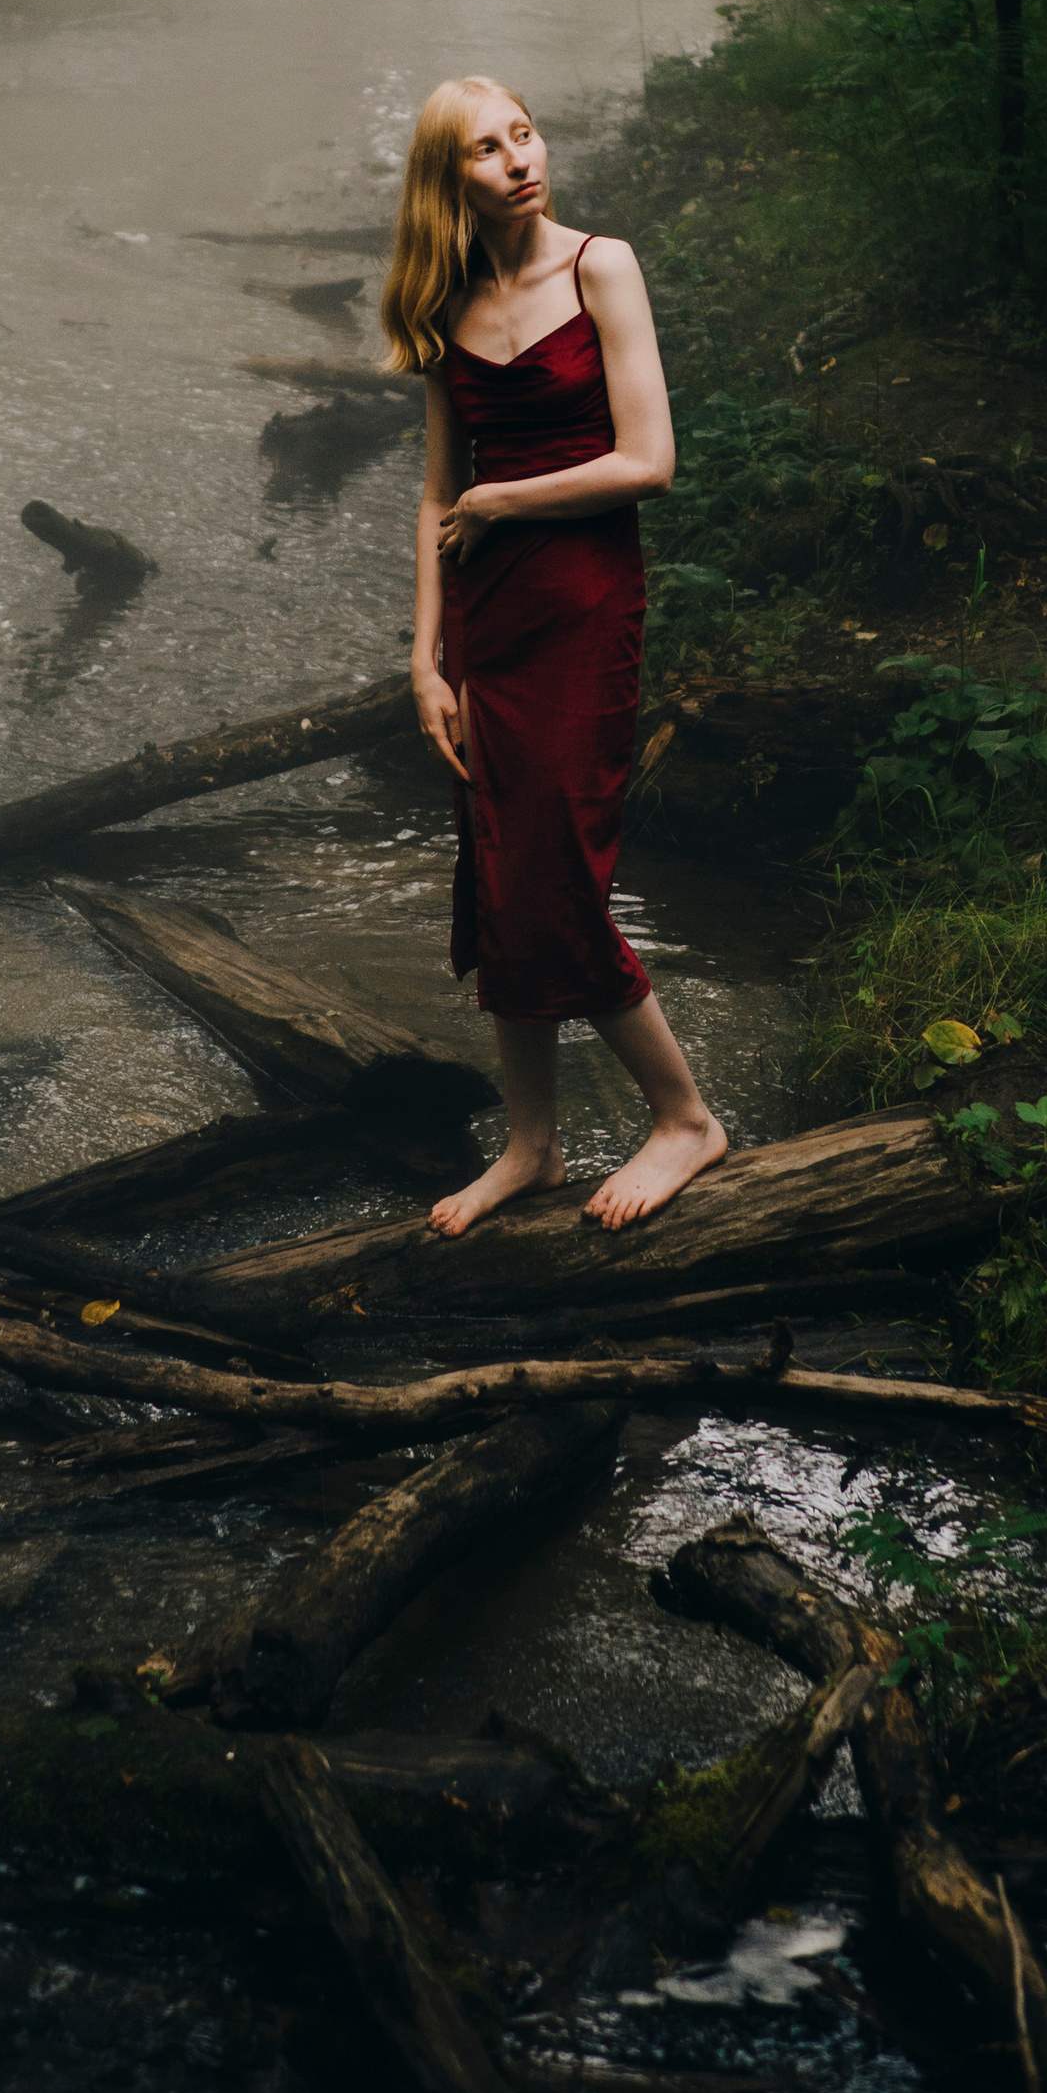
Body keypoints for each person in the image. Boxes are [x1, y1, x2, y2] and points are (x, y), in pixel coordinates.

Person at [381, 75, 727, 1235]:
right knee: (495, 860)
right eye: (487, 147)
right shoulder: (442, 301)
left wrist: (501, 497)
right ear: (450, 179)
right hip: (485, 616)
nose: (520, 157)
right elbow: (435, 492)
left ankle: (684, 1117)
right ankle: (532, 1143)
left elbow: (649, 461)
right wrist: (423, 657)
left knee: (557, 867)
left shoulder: (600, 265)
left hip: (582, 602)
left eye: (524, 132)